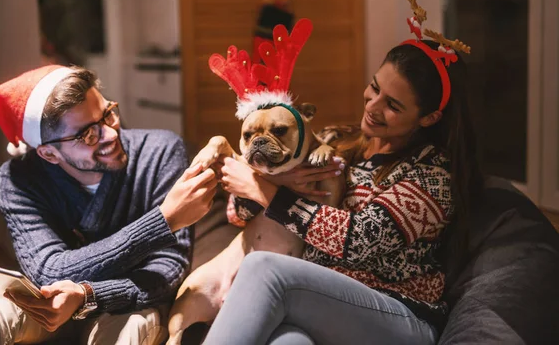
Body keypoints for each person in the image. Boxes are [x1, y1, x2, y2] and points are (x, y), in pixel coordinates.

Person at [202, 26, 483, 343]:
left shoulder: (432, 174)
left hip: (398, 314)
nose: (373, 106)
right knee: (288, 341)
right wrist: (270, 180)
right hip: (320, 302)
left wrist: (264, 190)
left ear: (429, 118)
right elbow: (237, 214)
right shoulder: (335, 139)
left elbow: (357, 241)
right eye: (374, 88)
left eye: (393, 105)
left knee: (264, 269)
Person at [0, 65, 218, 344]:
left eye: (108, 114)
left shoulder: (161, 152)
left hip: (128, 299)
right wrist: (163, 221)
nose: (110, 134)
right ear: (49, 153)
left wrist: (88, 295)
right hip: (52, 307)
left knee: (135, 323)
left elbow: (169, 268)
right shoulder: (17, 180)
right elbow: (49, 271)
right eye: (88, 135)